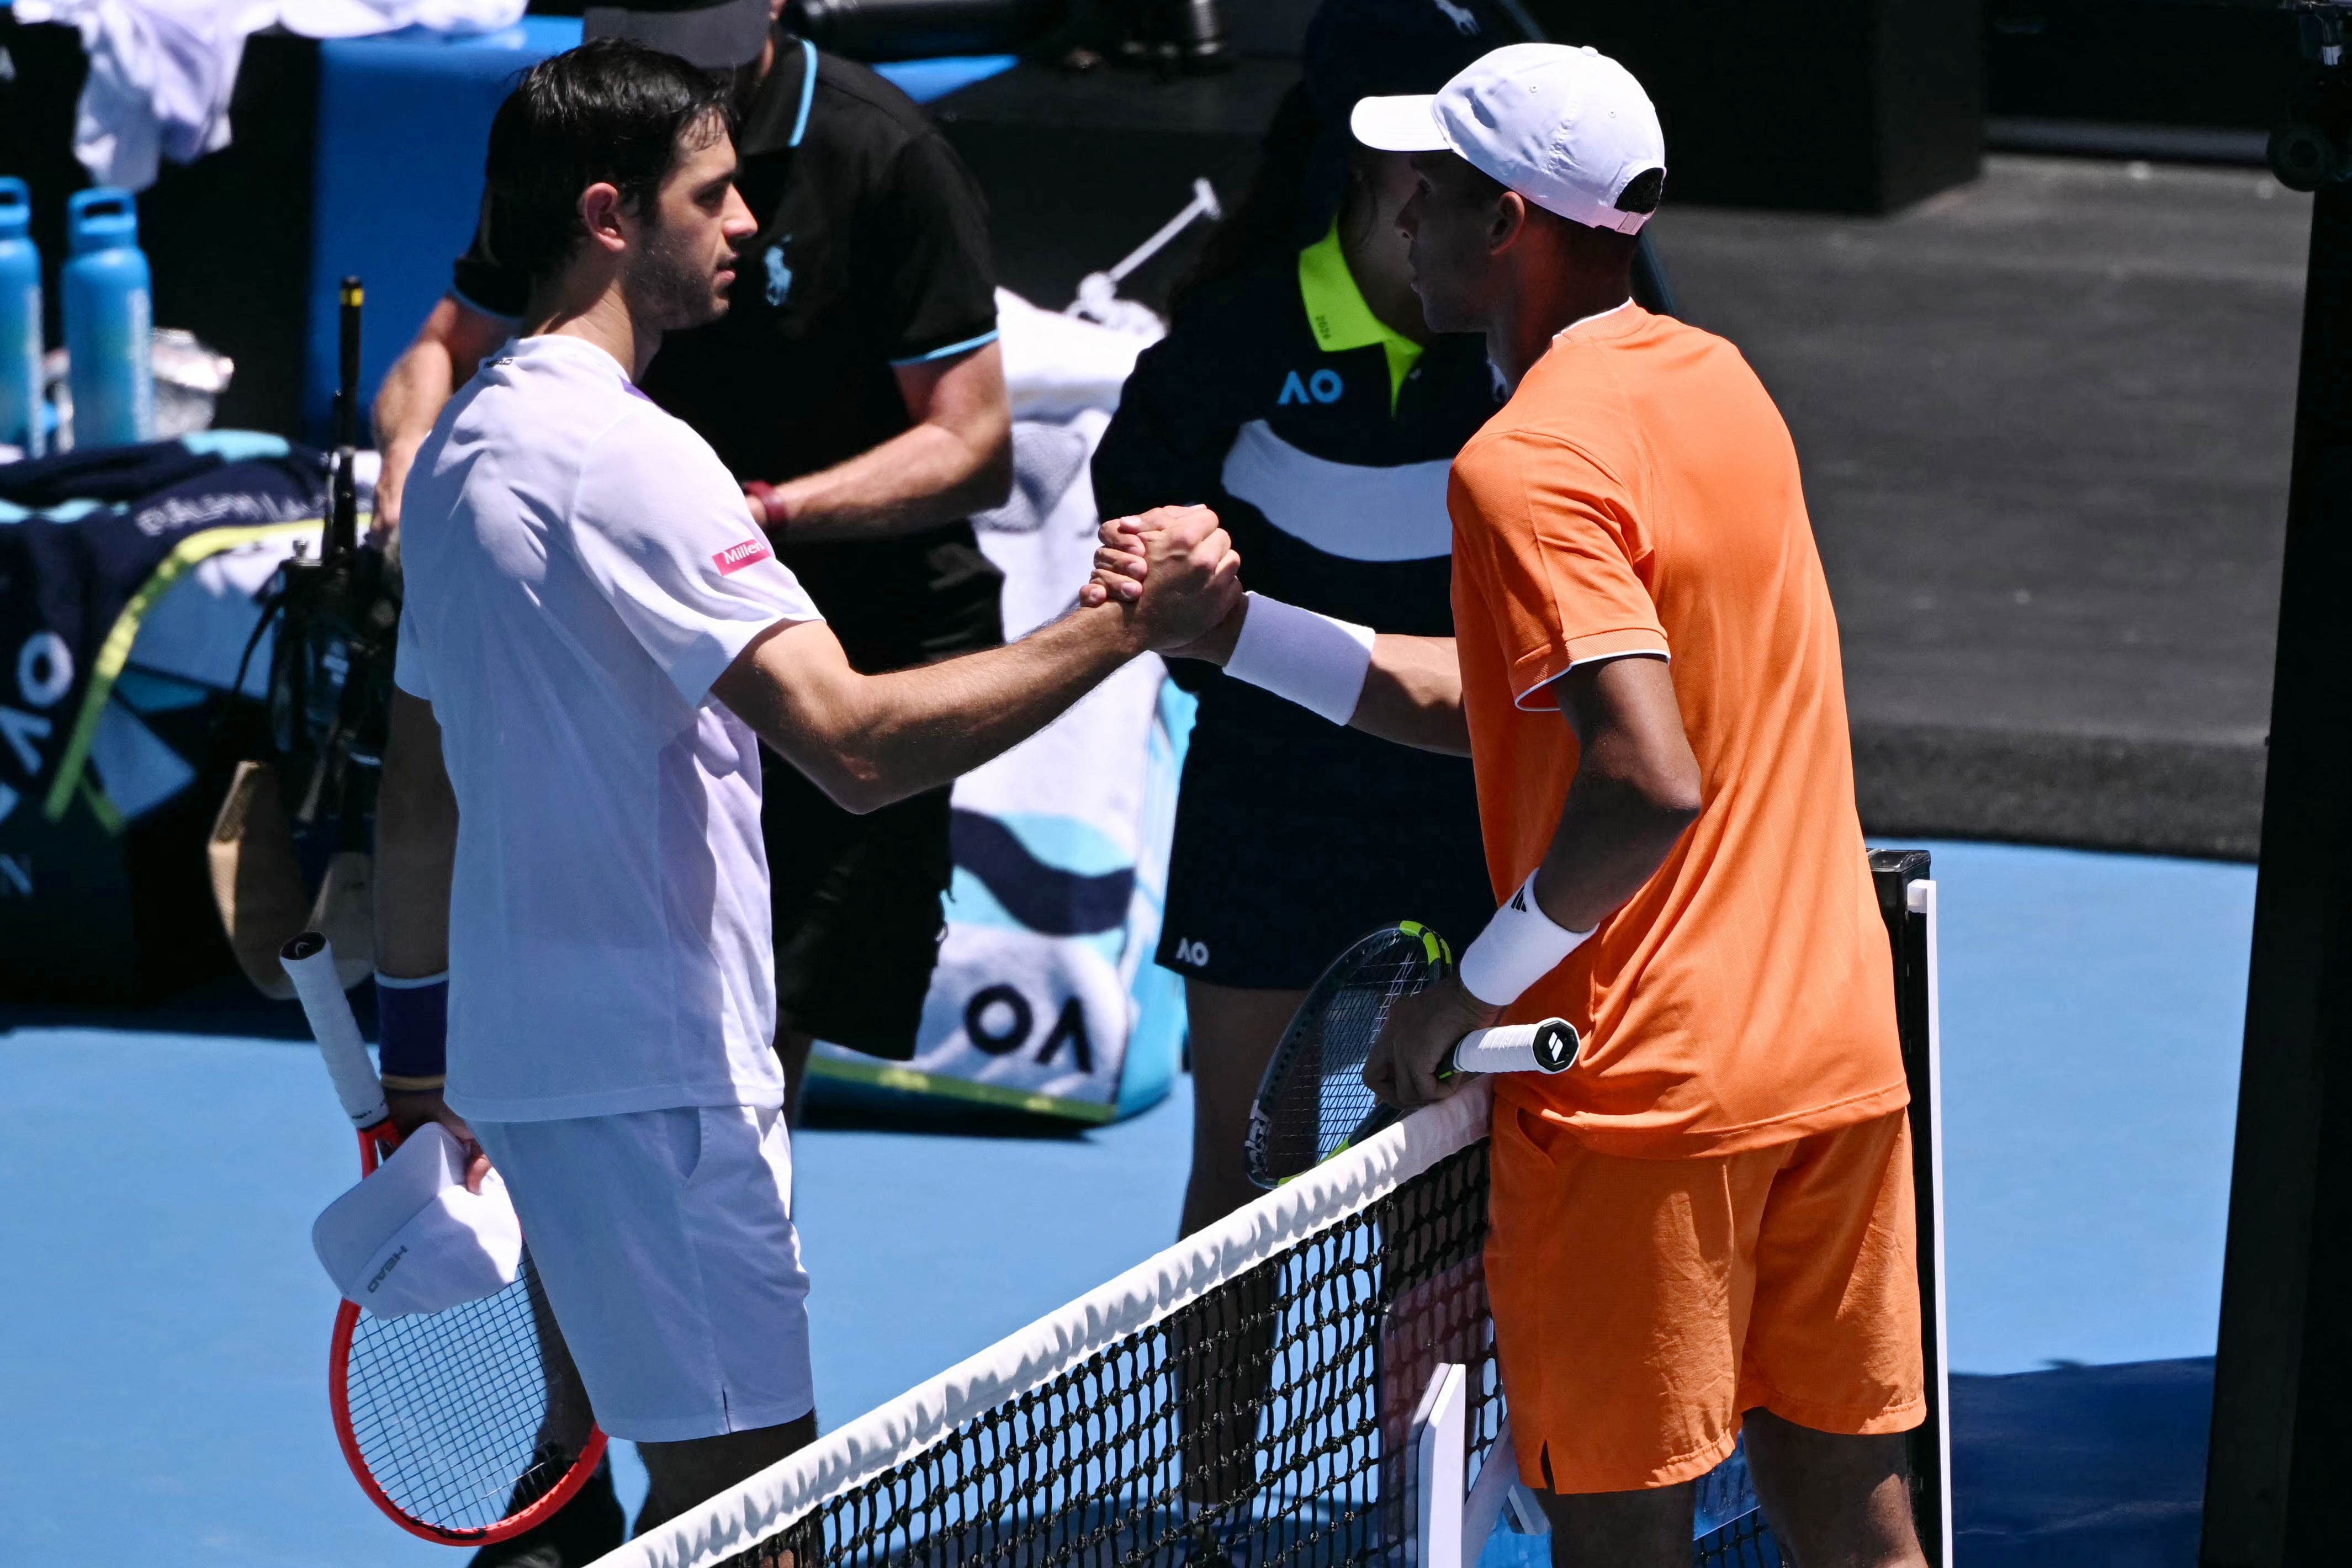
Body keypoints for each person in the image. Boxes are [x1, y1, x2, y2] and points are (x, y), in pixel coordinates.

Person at [373, 38, 1237, 1559]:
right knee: (756, 1529)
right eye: (710, 196)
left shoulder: (451, 459)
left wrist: (416, 1075)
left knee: (659, 1512)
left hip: (527, 1075)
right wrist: (1121, 629)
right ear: (609, 217)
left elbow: (418, 807)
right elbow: (852, 744)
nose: (747, 223)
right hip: (663, 1084)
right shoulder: (639, 463)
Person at [1092, 43, 1929, 1568]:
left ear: (1508, 225)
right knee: (1851, 1516)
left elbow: (1644, 780)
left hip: (1643, 1099)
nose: (1402, 216)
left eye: (1433, 189)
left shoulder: (1522, 462)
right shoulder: (1720, 385)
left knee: (1617, 1538)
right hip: (1833, 1054)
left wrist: (1470, 990)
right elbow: (1501, 701)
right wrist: (1234, 636)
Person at [372, 0, 1012, 1123]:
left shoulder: (888, 155)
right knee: (671, 1057)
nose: (743, 223)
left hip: (850, 622)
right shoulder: (601, 140)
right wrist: (410, 490)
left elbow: (973, 441)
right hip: (651, 596)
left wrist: (761, 515)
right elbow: (443, 345)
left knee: (755, 1038)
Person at [1090, 0, 1502, 1320]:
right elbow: (1143, 566)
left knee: (1450, 1183)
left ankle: (1422, 1467)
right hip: (1270, 813)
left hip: (1476, 814)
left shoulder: (1523, 340)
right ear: (1359, 152)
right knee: (1243, 1181)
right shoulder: (1236, 341)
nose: (1451, 178)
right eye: (1425, 145)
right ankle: (1213, 1472)